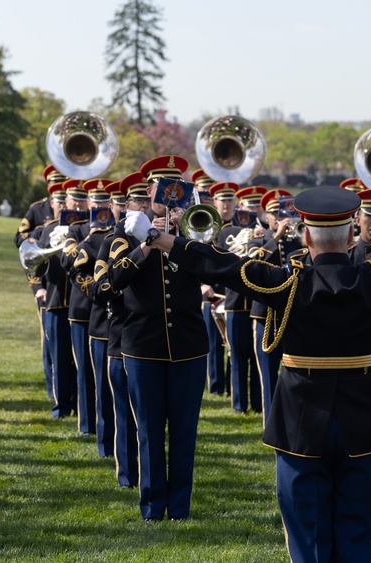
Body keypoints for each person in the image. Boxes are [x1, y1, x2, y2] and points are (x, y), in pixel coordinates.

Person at [126, 186, 371, 562]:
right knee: (358, 533)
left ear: (306, 236)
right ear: (350, 236)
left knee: (307, 534)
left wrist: (159, 239)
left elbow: (220, 264)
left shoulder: (285, 282)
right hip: (363, 416)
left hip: (300, 419)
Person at [107, 155, 208, 521]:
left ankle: (179, 508)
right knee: (148, 431)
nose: (169, 197)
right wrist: (147, 241)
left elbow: (214, 263)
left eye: (176, 190)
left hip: (189, 347)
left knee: (184, 431)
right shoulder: (125, 233)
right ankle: (152, 507)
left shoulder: (196, 232)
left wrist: (184, 233)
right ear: (149, 192)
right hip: (144, 347)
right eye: (162, 190)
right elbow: (114, 281)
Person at [92, 171, 145, 488]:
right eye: (140, 201)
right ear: (128, 205)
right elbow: (104, 289)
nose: (146, 206)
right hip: (122, 337)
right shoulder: (115, 240)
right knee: (124, 414)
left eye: (148, 200)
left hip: (153, 341)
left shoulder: (171, 236)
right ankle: (127, 474)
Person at [69, 178, 118, 455]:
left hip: (123, 321)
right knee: (93, 376)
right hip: (90, 314)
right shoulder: (80, 231)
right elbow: (70, 266)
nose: (101, 206)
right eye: (96, 200)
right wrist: (97, 291)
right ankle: (93, 429)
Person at [247, 188, 304, 421]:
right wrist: (276, 236)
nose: (280, 217)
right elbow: (252, 263)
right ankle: (270, 423)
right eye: (274, 213)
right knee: (268, 375)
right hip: (265, 315)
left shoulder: (298, 241)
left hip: (294, 313)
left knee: (296, 371)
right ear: (266, 216)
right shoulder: (258, 240)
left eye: (284, 212)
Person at [31, 179, 79, 419]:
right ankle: (62, 405)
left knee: (81, 360)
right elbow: (34, 263)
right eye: (72, 199)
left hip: (82, 304)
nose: (76, 204)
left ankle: (82, 403)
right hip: (56, 300)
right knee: (59, 357)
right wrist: (39, 287)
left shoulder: (88, 228)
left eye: (81, 199)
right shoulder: (48, 229)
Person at [217, 185, 267, 413]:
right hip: (235, 302)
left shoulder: (267, 231)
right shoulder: (228, 233)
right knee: (237, 356)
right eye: (249, 205)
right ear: (241, 207)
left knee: (257, 357)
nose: (253, 209)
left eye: (257, 205)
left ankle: (258, 403)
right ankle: (238, 405)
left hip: (258, 303)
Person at [199, 172, 230, 396]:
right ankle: (217, 385)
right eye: (222, 200)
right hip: (209, 293)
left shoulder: (239, 226)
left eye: (230, 200)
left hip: (230, 292)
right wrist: (201, 286)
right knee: (212, 343)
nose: (226, 205)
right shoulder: (201, 223)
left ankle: (230, 384)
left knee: (231, 343)